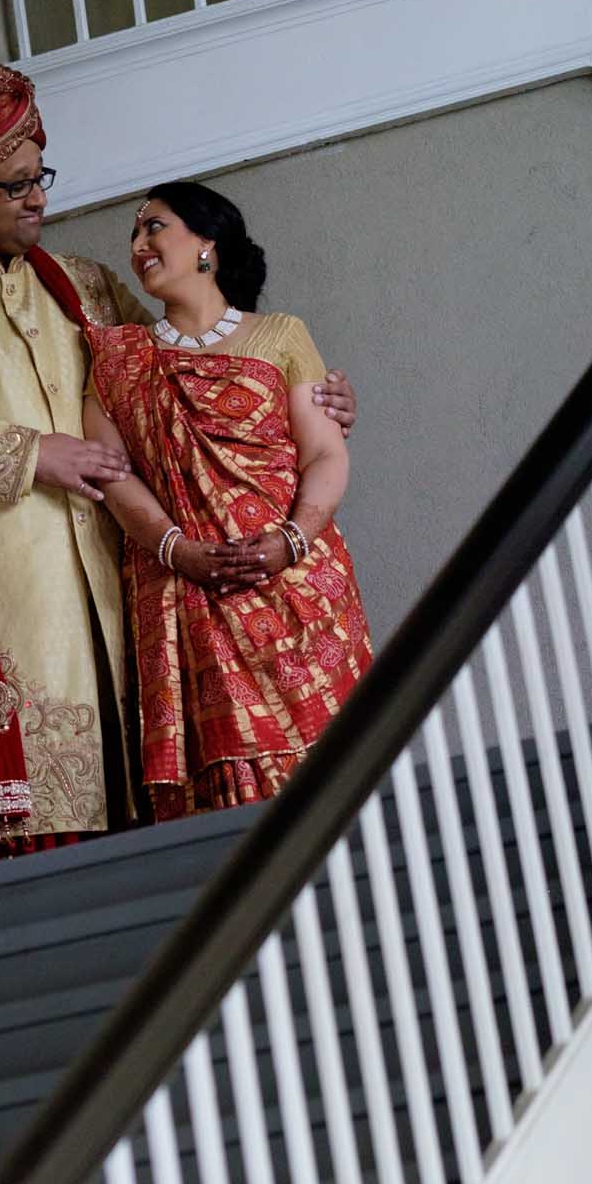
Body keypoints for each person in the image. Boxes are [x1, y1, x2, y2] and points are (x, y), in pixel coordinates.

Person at [0, 66, 357, 869]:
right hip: (5, 602)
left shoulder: (86, 289)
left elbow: (191, 364)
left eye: (38, 180)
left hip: (122, 599)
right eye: (13, 187)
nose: (37, 199)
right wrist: (29, 451)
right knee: (21, 852)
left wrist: (314, 401)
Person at [82, 182, 371, 819]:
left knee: (334, 788)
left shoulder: (280, 336)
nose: (137, 246)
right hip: (184, 592)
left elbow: (324, 454)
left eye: (153, 228)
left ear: (206, 242)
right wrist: (175, 547)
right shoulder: (118, 360)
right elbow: (111, 473)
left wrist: (289, 541)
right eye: (133, 236)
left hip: (296, 586)